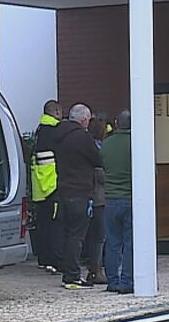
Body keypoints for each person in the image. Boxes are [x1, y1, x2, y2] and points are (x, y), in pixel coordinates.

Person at [49, 103, 102, 289]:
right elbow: (97, 159)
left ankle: (67, 272)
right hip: (80, 191)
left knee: (66, 233)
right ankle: (72, 276)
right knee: (77, 236)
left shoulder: (57, 135)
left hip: (62, 189)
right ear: (84, 119)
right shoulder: (83, 137)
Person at [101, 109, 133, 294]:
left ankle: (112, 280)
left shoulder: (106, 144)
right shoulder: (136, 143)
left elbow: (102, 167)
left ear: (116, 123)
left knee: (112, 242)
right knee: (130, 242)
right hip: (131, 197)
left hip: (111, 197)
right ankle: (127, 281)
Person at [30, 100, 64, 273]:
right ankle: (53, 260)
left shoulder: (40, 130)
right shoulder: (54, 130)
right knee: (54, 225)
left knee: (42, 225)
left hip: (39, 186)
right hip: (51, 184)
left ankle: (43, 259)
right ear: (56, 111)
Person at [82, 117, 108, 284]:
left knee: (91, 236)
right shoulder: (99, 149)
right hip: (99, 197)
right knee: (99, 236)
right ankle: (95, 270)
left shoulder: (84, 145)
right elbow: (100, 174)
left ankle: (93, 267)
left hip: (86, 195)